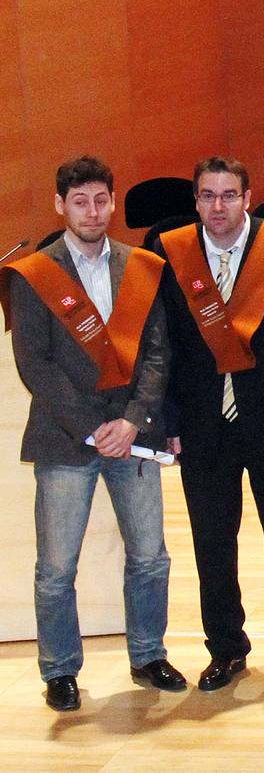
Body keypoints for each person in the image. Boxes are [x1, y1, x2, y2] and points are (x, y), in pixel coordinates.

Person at [3, 156, 185, 711]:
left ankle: (148, 653)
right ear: (61, 206)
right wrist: (93, 428)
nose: (91, 211)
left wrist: (131, 421)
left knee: (150, 555)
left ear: (112, 201)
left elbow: (158, 351)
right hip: (65, 438)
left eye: (100, 200)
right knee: (57, 566)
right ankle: (60, 670)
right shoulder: (34, 273)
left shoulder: (141, 265)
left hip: (133, 433)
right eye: (79, 201)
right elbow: (35, 364)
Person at [155, 155, 264, 691]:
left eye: (229, 195)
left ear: (247, 197)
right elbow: (167, 348)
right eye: (208, 196)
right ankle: (226, 647)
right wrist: (171, 420)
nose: (218, 206)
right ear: (196, 200)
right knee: (212, 542)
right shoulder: (170, 249)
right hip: (205, 425)